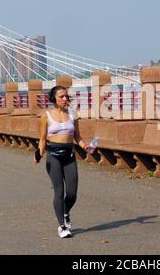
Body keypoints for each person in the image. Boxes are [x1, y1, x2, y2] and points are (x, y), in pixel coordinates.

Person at [34, 85, 94, 238]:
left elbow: (77, 137)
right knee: (59, 192)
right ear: (54, 98)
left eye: (67, 96)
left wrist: (85, 146)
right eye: (62, 96)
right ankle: (62, 226)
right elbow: (42, 139)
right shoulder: (46, 115)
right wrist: (39, 154)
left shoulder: (73, 114)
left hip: (69, 156)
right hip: (53, 156)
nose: (66, 99)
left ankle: (65, 212)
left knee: (72, 193)